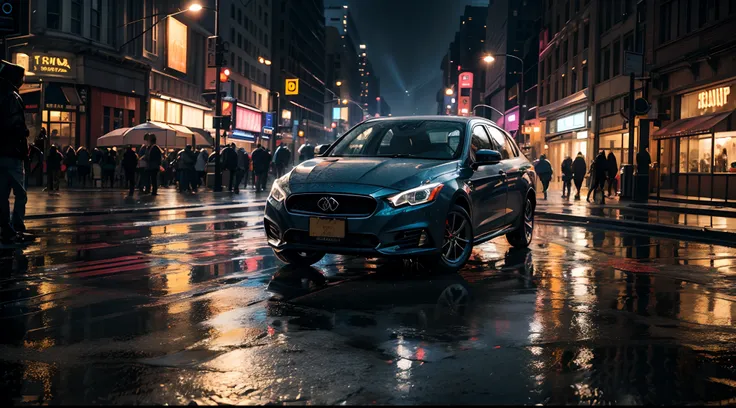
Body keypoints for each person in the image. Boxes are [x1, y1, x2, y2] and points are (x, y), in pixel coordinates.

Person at [0, 60, 31, 243]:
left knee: (2, 194)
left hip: (1, 153)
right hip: (13, 153)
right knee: (21, 194)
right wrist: (24, 133)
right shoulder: (13, 97)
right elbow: (16, 125)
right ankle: (17, 224)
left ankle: (5, 227)